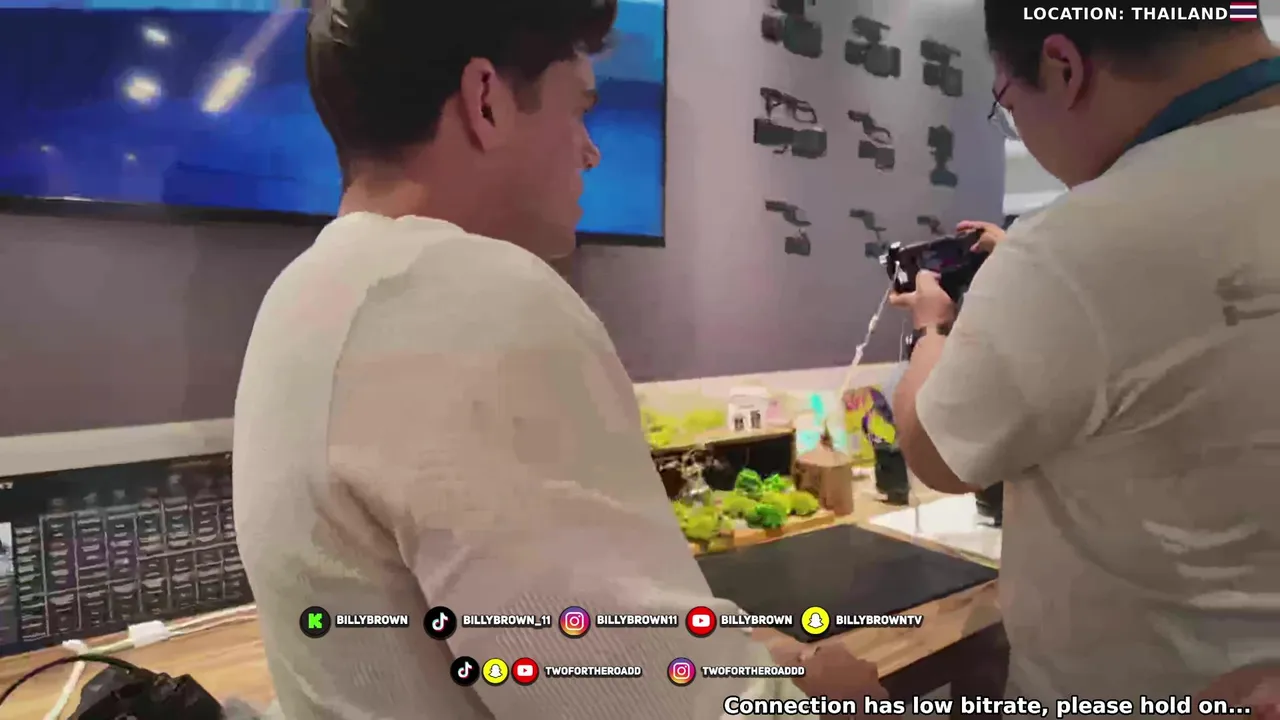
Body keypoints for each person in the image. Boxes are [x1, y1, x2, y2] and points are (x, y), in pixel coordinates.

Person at [232, 1, 884, 718]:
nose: (589, 151)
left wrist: (744, 655)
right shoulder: (470, 297)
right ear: (485, 101)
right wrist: (818, 693)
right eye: (579, 110)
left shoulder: (298, 298)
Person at [889, 4, 1280, 715]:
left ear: (1063, 67)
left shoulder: (1077, 245)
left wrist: (931, 328)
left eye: (1007, 104)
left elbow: (936, 454)